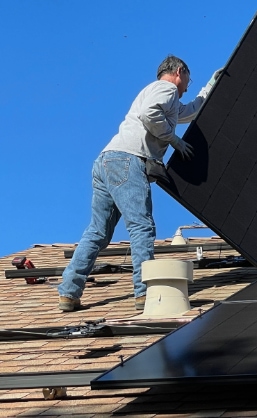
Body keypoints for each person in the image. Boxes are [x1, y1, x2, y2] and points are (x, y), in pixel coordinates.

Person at [58, 55, 222, 312]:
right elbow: (149, 114)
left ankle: (69, 292)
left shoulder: (160, 94)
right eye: (189, 79)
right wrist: (174, 141)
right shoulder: (166, 89)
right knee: (141, 226)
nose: (189, 84)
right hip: (127, 160)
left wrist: (211, 86)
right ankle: (145, 293)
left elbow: (188, 112)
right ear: (179, 71)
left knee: (97, 233)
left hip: (106, 162)